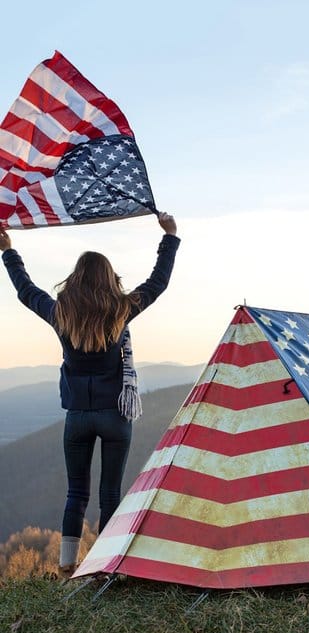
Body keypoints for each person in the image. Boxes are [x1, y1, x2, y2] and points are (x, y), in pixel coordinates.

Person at [0, 213, 180, 578]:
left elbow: (26, 291)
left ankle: (67, 565)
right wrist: (170, 237)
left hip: (78, 417)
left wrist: (8, 252)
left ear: (76, 280)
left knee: (76, 493)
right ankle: (106, 565)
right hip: (116, 416)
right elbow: (157, 283)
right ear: (109, 279)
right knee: (110, 494)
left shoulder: (61, 314)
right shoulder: (120, 311)